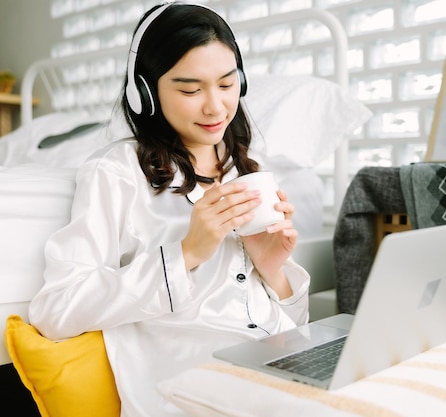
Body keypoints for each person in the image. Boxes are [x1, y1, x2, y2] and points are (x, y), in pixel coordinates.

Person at [28, 3, 310, 416]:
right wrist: (186, 254)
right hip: (194, 389)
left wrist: (274, 272)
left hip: (281, 366)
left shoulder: (248, 171)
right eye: (191, 90)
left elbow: (291, 326)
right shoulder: (117, 173)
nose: (215, 107)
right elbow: (56, 308)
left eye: (228, 84)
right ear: (145, 94)